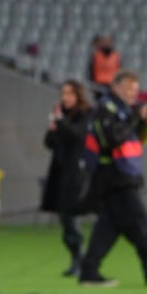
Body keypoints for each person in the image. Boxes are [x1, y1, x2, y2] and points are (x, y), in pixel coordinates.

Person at [78, 70, 147, 288]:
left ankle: (89, 270)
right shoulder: (106, 108)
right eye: (128, 89)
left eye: (135, 89)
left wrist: (146, 125)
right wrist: (136, 118)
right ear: (115, 87)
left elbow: (135, 141)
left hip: (124, 172)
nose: (133, 94)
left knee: (109, 226)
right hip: (113, 174)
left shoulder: (124, 111)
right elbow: (111, 139)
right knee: (139, 221)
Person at [40, 79, 92, 277]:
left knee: (70, 216)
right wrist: (53, 128)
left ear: (78, 95)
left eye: (70, 94)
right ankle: (77, 258)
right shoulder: (61, 115)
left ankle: (81, 259)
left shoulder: (85, 114)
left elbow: (78, 135)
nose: (65, 97)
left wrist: (60, 122)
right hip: (59, 170)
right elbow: (49, 143)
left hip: (76, 170)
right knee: (64, 217)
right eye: (64, 93)